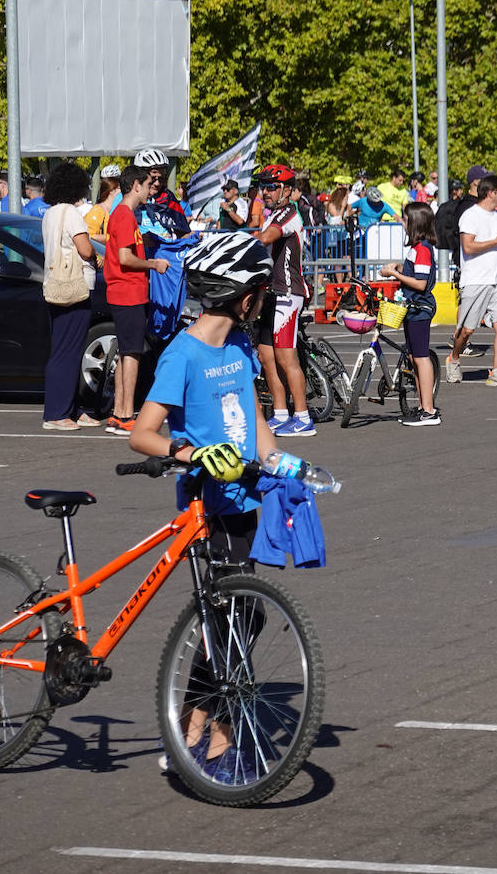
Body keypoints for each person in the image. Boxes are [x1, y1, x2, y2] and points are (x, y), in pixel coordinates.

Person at [128, 231, 279, 777]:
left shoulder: (238, 348)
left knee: (239, 616)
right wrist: (187, 450)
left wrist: (281, 463)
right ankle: (208, 730)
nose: (264, 301)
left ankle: (195, 723)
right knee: (231, 617)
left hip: (244, 497)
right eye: (261, 292)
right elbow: (141, 434)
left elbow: (253, 418)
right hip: (205, 503)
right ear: (245, 298)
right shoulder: (183, 353)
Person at [103, 165, 170, 434]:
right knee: (132, 354)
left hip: (125, 291)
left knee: (126, 352)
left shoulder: (122, 214)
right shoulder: (125, 215)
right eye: (147, 183)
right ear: (136, 186)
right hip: (127, 292)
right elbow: (124, 257)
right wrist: (153, 264)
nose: (150, 190)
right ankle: (125, 414)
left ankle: (120, 412)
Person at [251, 164, 315, 437]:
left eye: (271, 187)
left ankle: (302, 417)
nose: (265, 192)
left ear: (286, 190)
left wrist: (237, 237)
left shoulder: (289, 214)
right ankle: (280, 413)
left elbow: (264, 238)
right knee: (266, 356)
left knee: (286, 358)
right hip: (270, 293)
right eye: (262, 187)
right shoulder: (273, 213)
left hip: (288, 293)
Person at [40, 163, 104, 431]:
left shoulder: (50, 213)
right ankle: (56, 413)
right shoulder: (73, 214)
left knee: (65, 348)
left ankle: (71, 409)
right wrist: (97, 257)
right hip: (75, 286)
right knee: (68, 351)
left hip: (56, 285)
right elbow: (84, 248)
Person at [447, 173, 497, 387]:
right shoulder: (470, 216)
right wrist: (495, 240)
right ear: (490, 193)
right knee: (467, 330)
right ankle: (454, 358)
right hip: (475, 279)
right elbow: (468, 247)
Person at [381, 202, 441, 425]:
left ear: (415, 223)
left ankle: (429, 410)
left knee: (421, 357)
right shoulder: (418, 249)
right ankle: (422, 406)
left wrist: (395, 274)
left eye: (405, 219)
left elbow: (420, 283)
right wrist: (399, 267)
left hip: (420, 307)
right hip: (413, 307)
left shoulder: (422, 250)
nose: (403, 223)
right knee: (414, 357)